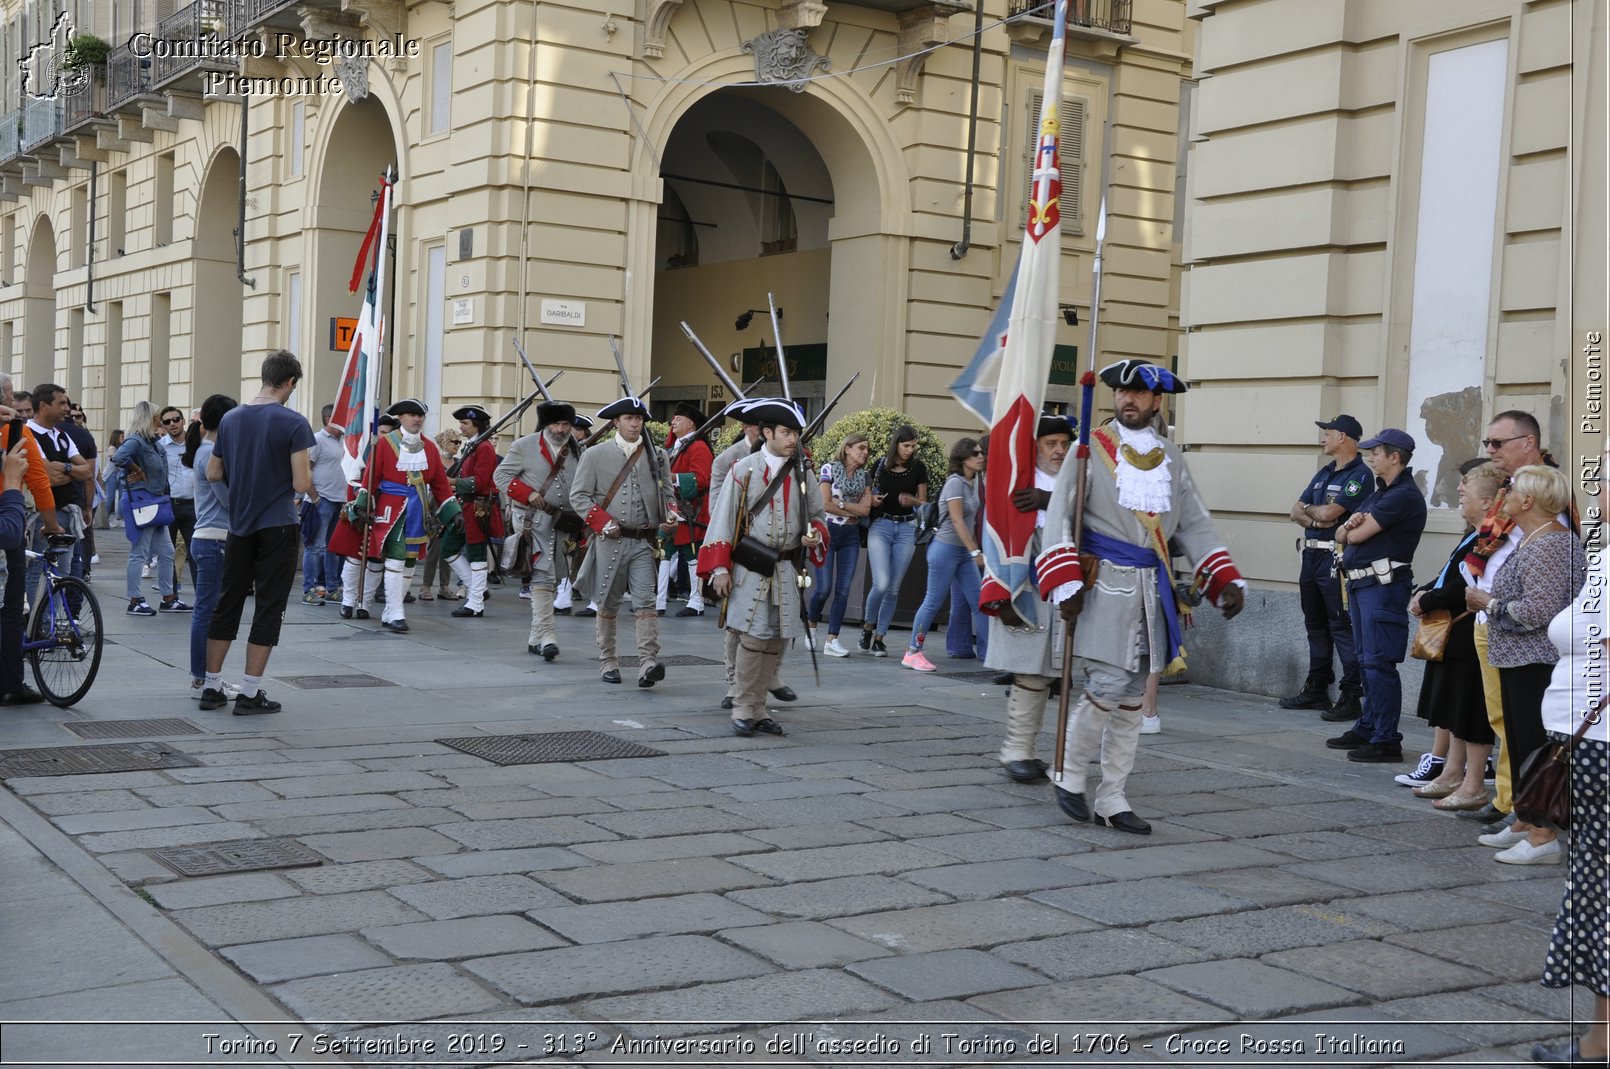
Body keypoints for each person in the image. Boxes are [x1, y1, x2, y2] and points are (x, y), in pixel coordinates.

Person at [1032, 361, 1246, 834]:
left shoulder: (1171, 456)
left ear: (1156, 402)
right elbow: (1059, 518)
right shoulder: (1088, 451)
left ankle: (1111, 796)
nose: (1127, 399)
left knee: (1132, 696)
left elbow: (1193, 521)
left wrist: (1223, 577)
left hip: (1152, 593)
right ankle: (1068, 775)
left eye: (1138, 393)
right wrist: (1064, 579)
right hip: (1104, 587)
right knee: (1108, 684)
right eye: (1121, 391)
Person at [1468, 464, 1585, 864]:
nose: (1506, 497)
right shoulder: (1534, 539)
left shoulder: (1551, 545)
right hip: (1519, 658)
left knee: (1535, 746)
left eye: (1512, 490)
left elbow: (1538, 610)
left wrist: (1489, 604)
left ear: (1529, 500)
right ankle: (1523, 819)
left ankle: (1542, 835)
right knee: (1519, 743)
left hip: (1538, 660)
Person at [1460, 409, 1570, 829]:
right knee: (1502, 718)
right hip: (1496, 621)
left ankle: (1521, 809)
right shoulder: (1513, 489)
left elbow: (1542, 594)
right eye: (1488, 442)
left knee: (1523, 725)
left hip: (1523, 630)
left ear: (1528, 443)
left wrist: (1490, 603)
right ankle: (1515, 803)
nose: (1490, 451)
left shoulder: (1543, 496)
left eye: (1497, 443)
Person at [699, 398, 827, 736]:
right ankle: (742, 706)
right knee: (753, 639)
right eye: (786, 432)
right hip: (751, 567)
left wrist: (815, 535)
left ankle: (758, 709)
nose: (792, 439)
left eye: (795, 433)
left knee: (774, 641)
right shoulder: (744, 469)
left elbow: (817, 516)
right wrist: (719, 569)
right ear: (767, 432)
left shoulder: (804, 471)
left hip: (787, 568)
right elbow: (723, 519)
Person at [1530, 526, 1609, 1067]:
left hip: (1601, 746)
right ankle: (1599, 1041)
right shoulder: (1603, 555)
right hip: (1587, 744)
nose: (1597, 486)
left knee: (1603, 893)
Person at [199, 351, 316, 713]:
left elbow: (213, 473)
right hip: (278, 524)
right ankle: (249, 693)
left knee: (227, 601)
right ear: (291, 383)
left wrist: (245, 485)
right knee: (268, 606)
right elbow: (300, 483)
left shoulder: (231, 419)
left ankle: (211, 686)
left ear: (265, 377)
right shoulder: (294, 422)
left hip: (240, 525)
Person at [1324, 429, 1428, 762]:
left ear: (1394, 457)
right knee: (1365, 660)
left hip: (1382, 587)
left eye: (1376, 453)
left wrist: (1352, 529)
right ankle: (1368, 726)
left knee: (1378, 662)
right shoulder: (1380, 493)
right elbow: (1340, 532)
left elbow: (1356, 536)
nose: (1370, 457)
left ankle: (1386, 738)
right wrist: (1350, 527)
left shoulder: (1403, 495)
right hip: (1362, 585)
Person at [1404, 462, 1502, 808]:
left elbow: (1464, 585)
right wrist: (1422, 592)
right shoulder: (1473, 534)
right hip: (1455, 633)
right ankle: (1452, 773)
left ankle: (1473, 783)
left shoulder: (1492, 539)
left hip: (1468, 631)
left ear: (1489, 502)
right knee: (1453, 709)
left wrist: (1427, 599)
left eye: (1467, 491)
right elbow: (1450, 574)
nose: (1459, 494)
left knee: (1469, 709)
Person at [985, 414, 1072, 781]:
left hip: (1069, 593)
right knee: (1030, 673)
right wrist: (999, 594)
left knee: (1051, 676)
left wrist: (1049, 498)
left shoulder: (1075, 482)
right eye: (1051, 444)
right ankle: (1016, 750)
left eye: (1064, 444)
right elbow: (998, 538)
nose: (1059, 451)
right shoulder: (1019, 485)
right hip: (1029, 589)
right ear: (1034, 446)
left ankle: (1031, 751)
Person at [568, 394, 676, 686]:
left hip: (643, 541)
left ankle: (648, 662)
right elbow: (578, 496)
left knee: (646, 603)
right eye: (629, 418)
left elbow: (668, 495)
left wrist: (671, 515)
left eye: (639, 419)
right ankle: (608, 661)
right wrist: (603, 523)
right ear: (616, 422)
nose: (635, 424)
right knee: (607, 603)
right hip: (609, 541)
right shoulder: (594, 455)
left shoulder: (657, 455)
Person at [329, 400, 454, 633]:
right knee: (388, 558)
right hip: (389, 512)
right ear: (401, 418)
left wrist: (452, 511)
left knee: (408, 562)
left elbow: (439, 483)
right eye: (411, 415)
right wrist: (362, 507)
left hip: (417, 512)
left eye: (420, 416)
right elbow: (370, 480)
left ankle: (389, 611)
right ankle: (394, 611)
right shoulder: (385, 444)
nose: (417, 419)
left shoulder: (429, 448)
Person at [1281, 414, 1370, 721]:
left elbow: (1334, 511)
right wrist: (1318, 518)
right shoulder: (1325, 472)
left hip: (1336, 558)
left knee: (1340, 626)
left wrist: (1317, 514)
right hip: (1311, 555)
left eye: (1328, 432)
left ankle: (1351, 693)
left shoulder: (1360, 475)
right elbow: (1296, 510)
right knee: (1315, 624)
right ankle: (1317, 687)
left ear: (1343, 437)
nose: (1323, 437)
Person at [495, 400, 582, 660]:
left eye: (565, 424)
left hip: (563, 523)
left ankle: (535, 637)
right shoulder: (524, 446)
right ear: (546, 424)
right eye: (555, 423)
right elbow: (500, 477)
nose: (560, 428)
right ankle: (548, 636)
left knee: (552, 576)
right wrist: (528, 493)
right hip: (532, 520)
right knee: (543, 574)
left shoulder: (578, 450)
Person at [0, 376, 60, 707]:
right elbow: (37, 479)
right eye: (10, 398)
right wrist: (51, 524)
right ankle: (10, 682)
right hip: (7, 526)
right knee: (9, 610)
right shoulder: (16, 434)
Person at [904, 437, 986, 672]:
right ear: (962, 459)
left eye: (981, 453)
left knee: (979, 602)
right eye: (975, 454)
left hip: (961, 553)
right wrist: (975, 551)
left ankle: (993, 653)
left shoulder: (973, 482)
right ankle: (912, 651)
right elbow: (958, 520)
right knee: (932, 602)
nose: (981, 457)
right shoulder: (955, 483)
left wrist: (970, 551)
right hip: (945, 550)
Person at [184, 394, 238, 695]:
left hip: (209, 538)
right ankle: (203, 677)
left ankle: (206, 676)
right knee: (208, 611)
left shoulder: (207, 451)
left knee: (208, 609)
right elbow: (227, 501)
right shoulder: (209, 454)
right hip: (213, 539)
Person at [859, 425, 929, 657]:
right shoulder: (880, 465)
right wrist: (874, 500)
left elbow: (924, 503)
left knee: (893, 589)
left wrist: (913, 501)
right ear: (896, 444)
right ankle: (868, 626)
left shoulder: (918, 468)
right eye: (906, 445)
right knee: (881, 583)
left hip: (907, 528)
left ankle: (880, 637)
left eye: (913, 446)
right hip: (881, 526)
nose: (910, 450)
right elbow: (865, 495)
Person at [24, 384, 95, 606]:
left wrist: (63, 468)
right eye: (61, 403)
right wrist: (71, 470)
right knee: (37, 570)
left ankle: (51, 624)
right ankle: (36, 626)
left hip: (67, 511)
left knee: (61, 574)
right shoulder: (29, 433)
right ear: (44, 406)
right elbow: (47, 477)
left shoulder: (62, 435)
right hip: (43, 515)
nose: (67, 408)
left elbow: (88, 471)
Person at [112, 401, 181, 616]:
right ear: (148, 417)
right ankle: (135, 599)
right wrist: (137, 469)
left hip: (155, 501)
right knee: (139, 552)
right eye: (158, 415)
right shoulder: (137, 440)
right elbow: (119, 457)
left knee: (166, 552)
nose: (160, 418)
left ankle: (168, 598)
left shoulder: (151, 441)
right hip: (143, 501)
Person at [440, 404, 506, 618]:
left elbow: (480, 481)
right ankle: (477, 590)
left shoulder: (484, 447)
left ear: (476, 424)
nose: (461, 427)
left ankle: (476, 603)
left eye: (465, 423)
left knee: (477, 555)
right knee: (449, 548)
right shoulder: (473, 445)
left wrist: (452, 482)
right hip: (467, 505)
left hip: (479, 506)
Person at [809, 433, 872, 658]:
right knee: (823, 588)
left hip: (851, 536)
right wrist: (850, 510)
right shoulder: (828, 469)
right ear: (847, 448)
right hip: (828, 532)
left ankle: (832, 640)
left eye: (866, 449)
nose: (864, 452)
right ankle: (811, 624)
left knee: (843, 590)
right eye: (860, 448)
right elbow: (824, 503)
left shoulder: (864, 477)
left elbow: (865, 511)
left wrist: (842, 504)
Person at [658, 402, 713, 617]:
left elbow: (701, 479)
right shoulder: (674, 447)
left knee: (692, 555)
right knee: (664, 552)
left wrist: (672, 478)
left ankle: (696, 601)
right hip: (673, 506)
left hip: (692, 509)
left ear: (691, 424)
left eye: (678, 419)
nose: (673, 422)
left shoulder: (698, 446)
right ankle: (659, 601)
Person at [303, 403, 348, 605]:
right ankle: (309, 589)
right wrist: (314, 497)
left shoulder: (343, 441)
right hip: (321, 499)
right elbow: (305, 469)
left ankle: (332, 587)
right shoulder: (316, 439)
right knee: (315, 546)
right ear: (329, 418)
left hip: (339, 499)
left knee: (333, 547)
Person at [420, 426, 465, 601]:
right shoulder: (434, 461)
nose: (458, 445)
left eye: (459, 442)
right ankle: (426, 586)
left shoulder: (459, 463)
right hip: (435, 507)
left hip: (453, 507)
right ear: (444, 443)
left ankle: (445, 586)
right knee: (434, 549)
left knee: (448, 548)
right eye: (454, 442)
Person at [158, 405, 197, 598]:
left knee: (196, 553)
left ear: (183, 421)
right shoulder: (160, 447)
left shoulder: (196, 444)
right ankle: (170, 596)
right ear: (163, 426)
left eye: (176, 419)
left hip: (193, 505)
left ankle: (203, 596)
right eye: (167, 422)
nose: (172, 424)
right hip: (168, 505)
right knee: (167, 553)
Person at [63, 403, 96, 575]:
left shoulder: (56, 433)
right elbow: (88, 474)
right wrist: (87, 506)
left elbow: (90, 474)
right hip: (75, 499)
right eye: (73, 415)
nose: (76, 419)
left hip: (64, 501)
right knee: (73, 553)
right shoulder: (84, 436)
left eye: (79, 416)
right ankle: (76, 590)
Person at [98, 429, 125, 529]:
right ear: (116, 438)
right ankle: (106, 518)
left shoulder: (121, 448)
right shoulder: (112, 448)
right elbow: (115, 460)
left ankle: (119, 518)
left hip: (120, 474)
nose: (123, 439)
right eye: (122, 437)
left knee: (123, 496)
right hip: (112, 475)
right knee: (110, 496)